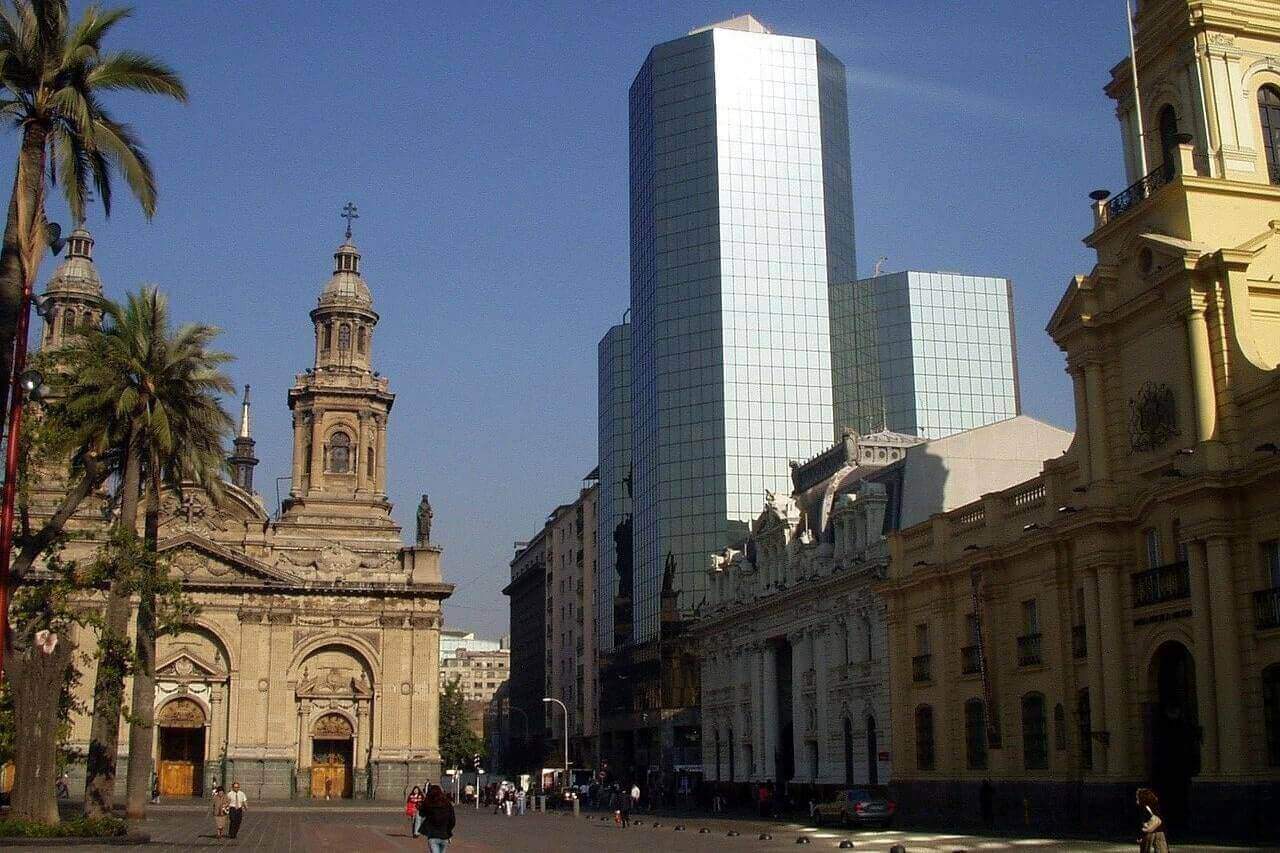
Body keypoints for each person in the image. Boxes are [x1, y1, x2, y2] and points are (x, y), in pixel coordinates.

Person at [419, 783, 457, 853]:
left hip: (433, 835)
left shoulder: (429, 804)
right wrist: (449, 832)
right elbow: (452, 821)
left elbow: (421, 814)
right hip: (444, 835)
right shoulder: (447, 804)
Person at [1136, 788, 1169, 853]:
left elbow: (1145, 823)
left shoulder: (1144, 807)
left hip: (1149, 833)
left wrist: (1140, 835)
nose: (1137, 800)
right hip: (1160, 832)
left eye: (1137, 798)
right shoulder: (1155, 805)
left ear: (1142, 797)